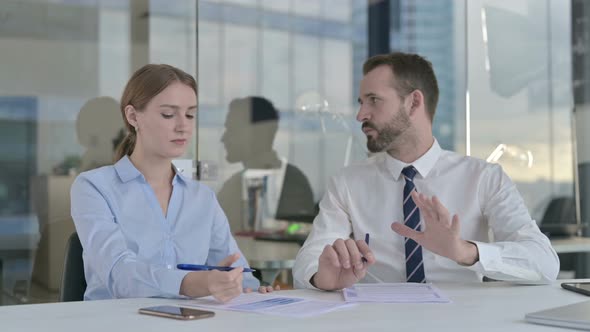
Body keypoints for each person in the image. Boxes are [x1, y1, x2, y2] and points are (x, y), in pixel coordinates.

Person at [293, 52, 560, 291]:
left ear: (413, 102)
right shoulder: (347, 183)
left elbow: (544, 263)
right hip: (375, 321)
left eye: (373, 100)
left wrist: (465, 252)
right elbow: (309, 257)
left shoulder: (484, 178)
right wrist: (320, 277)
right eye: (361, 102)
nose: (361, 114)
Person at [71, 64, 276, 302]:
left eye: (190, 114)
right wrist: (191, 283)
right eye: (168, 114)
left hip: (192, 321)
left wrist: (249, 289)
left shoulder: (203, 198)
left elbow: (235, 269)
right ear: (133, 116)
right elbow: (119, 273)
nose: (183, 126)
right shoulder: (93, 187)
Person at [217, 96, 315, 233]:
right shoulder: (232, 186)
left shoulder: (294, 183)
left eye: (232, 129)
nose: (224, 138)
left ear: (259, 133)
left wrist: (284, 228)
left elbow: (301, 230)